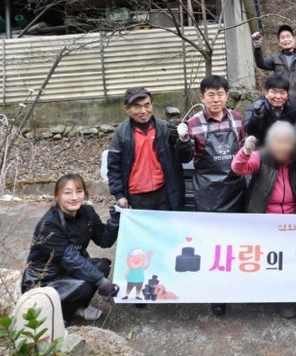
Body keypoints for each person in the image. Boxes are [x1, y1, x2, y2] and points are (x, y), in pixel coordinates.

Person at [231, 122, 296, 319]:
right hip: (266, 220)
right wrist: (245, 152)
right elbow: (238, 168)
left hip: (293, 218)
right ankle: (283, 298)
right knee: (276, 262)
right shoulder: (261, 157)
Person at [176, 75, 245, 317]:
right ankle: (217, 293)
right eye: (211, 95)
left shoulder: (238, 119)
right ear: (202, 97)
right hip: (208, 192)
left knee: (234, 243)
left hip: (235, 190)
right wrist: (183, 140)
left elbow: (244, 152)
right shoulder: (193, 123)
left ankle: (237, 284)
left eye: (220, 94)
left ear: (227, 95)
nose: (216, 99)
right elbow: (185, 158)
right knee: (214, 246)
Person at [21, 174, 120, 321]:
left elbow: (104, 241)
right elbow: (70, 259)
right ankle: (61, 316)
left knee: (102, 266)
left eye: (79, 191)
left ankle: (78, 306)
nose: (74, 197)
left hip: (67, 270)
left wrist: (115, 221)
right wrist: (102, 282)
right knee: (87, 283)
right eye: (67, 193)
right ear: (57, 197)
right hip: (44, 280)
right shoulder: (49, 225)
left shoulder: (87, 212)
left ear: (85, 193)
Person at [107, 87, 185, 211]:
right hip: (137, 196)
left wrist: (183, 140)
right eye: (137, 107)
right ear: (127, 109)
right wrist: (119, 195)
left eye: (147, 105)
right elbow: (113, 167)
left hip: (164, 193)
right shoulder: (121, 133)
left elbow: (184, 157)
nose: (143, 111)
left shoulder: (165, 129)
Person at [252, 23, 296, 121]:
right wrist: (257, 47)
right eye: (282, 38)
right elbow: (261, 63)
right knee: (284, 127)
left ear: (294, 39)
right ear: (279, 42)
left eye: (288, 36)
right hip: (282, 102)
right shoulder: (275, 59)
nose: (286, 39)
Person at [244, 75, 296, 143]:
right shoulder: (256, 108)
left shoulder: (294, 108)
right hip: (261, 145)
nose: (278, 97)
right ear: (266, 93)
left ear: (287, 94)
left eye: (282, 93)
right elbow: (249, 132)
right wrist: (256, 117)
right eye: (274, 92)